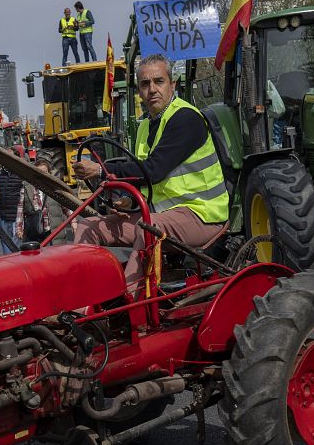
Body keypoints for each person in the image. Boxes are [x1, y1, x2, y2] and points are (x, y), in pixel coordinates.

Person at [71, 53, 229, 290]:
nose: (152, 89)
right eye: (145, 84)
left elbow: (154, 170)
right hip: (162, 212)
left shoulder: (186, 118)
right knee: (87, 226)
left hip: (203, 215)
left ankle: (129, 308)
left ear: (172, 85)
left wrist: (102, 170)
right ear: (138, 91)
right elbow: (147, 180)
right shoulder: (145, 126)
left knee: (147, 227)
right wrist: (128, 200)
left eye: (159, 81)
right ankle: (82, 301)